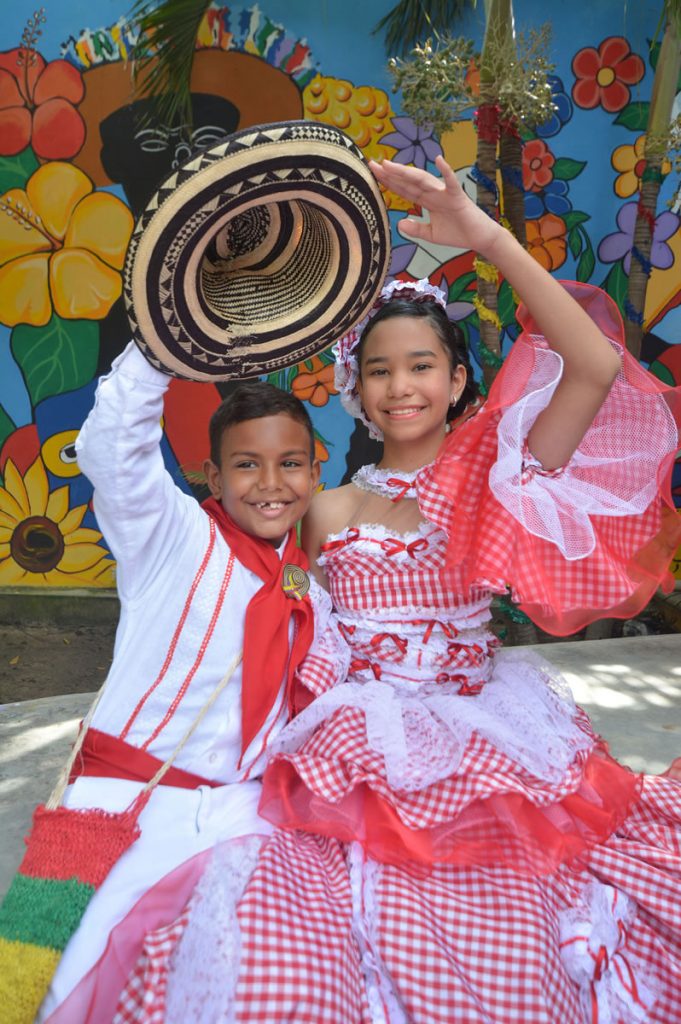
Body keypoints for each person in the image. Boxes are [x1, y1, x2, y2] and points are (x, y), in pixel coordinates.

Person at [50, 157, 681, 1023]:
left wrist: (487, 240)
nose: (400, 387)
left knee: (510, 924)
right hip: (348, 743)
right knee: (314, 924)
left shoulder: (497, 481)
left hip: (478, 740)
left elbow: (593, 368)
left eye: (421, 366)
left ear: (457, 381)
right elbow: (257, 601)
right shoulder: (319, 506)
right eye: (379, 371)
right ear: (355, 389)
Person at [33, 341, 349, 1023]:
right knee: (59, 975)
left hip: (240, 811)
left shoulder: (307, 588)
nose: (271, 482)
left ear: (315, 474)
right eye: (247, 465)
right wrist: (157, 349)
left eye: (290, 464)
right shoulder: (169, 536)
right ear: (212, 475)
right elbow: (112, 449)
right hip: (125, 804)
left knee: (250, 977)